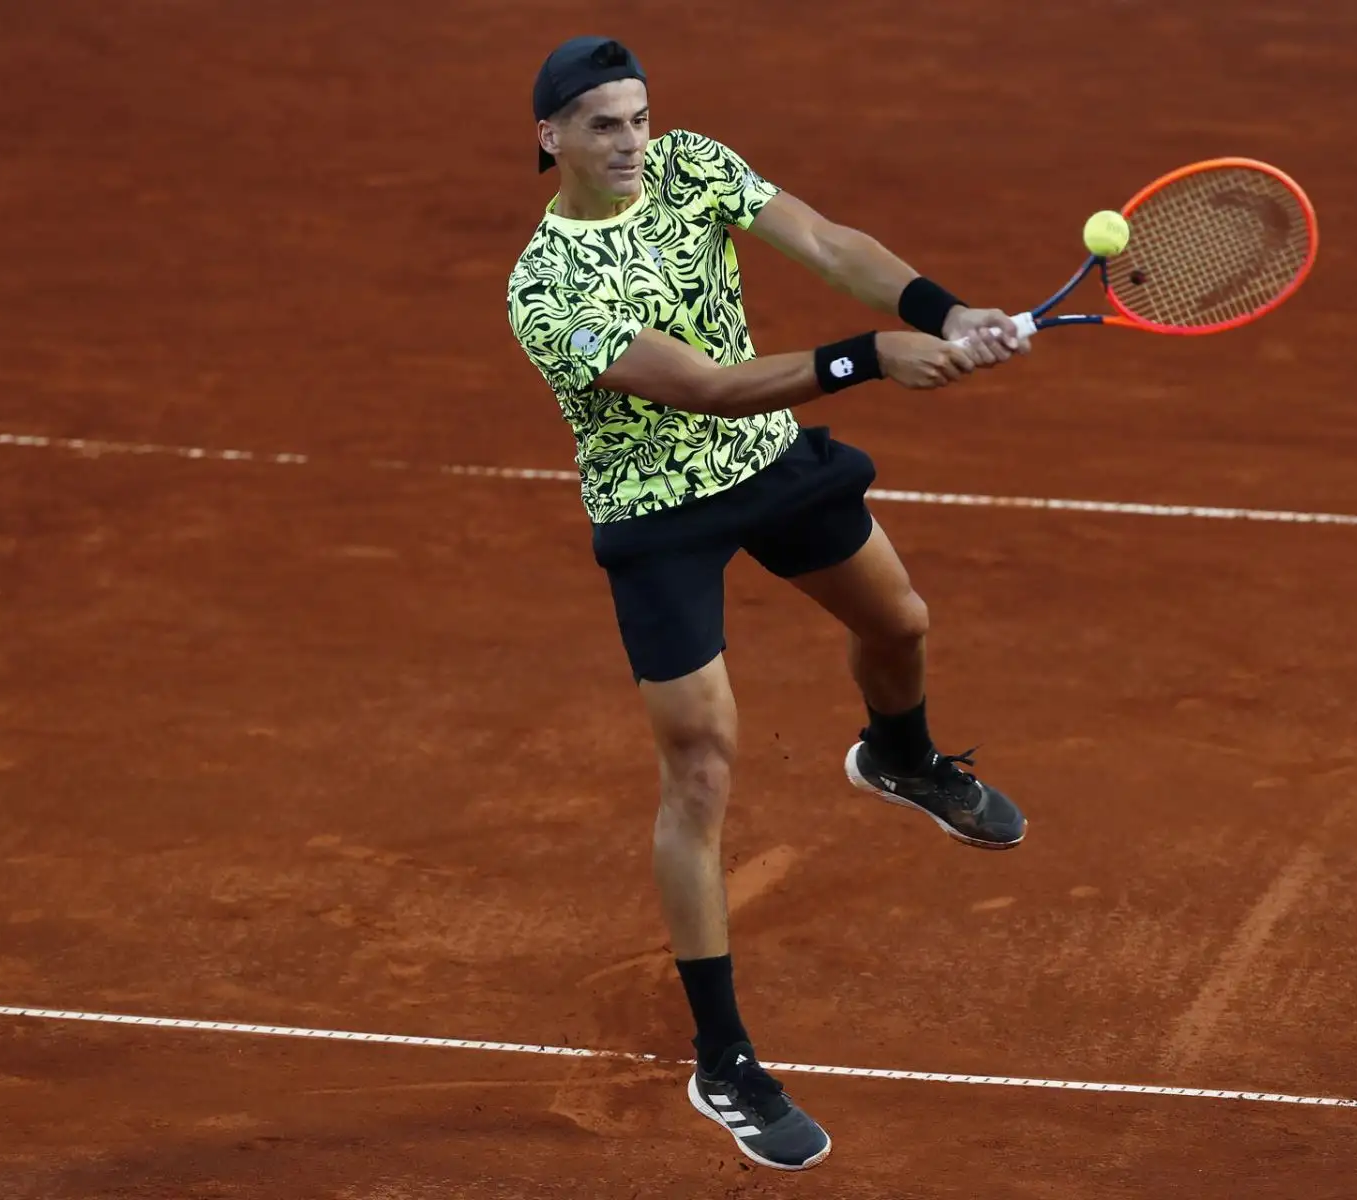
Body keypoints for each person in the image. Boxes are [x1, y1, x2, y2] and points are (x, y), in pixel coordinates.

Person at [506, 35, 1030, 1172]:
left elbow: (827, 242)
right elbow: (700, 389)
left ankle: (900, 759)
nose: (632, 141)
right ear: (551, 137)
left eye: (639, 117)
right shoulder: (545, 292)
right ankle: (725, 1060)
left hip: (769, 462)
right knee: (699, 767)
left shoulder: (691, 163)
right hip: (656, 512)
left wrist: (942, 311)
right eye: (603, 124)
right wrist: (871, 358)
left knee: (900, 624)